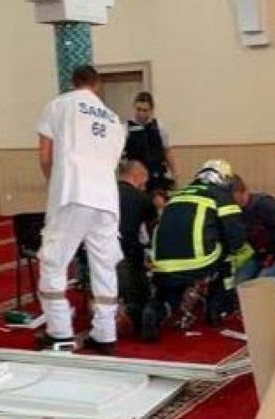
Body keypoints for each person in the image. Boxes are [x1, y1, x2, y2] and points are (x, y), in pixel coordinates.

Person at [34, 65, 126, 355]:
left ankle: (59, 332)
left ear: (72, 82)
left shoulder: (58, 105)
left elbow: (45, 156)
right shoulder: (113, 119)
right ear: (97, 85)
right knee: (104, 266)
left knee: (53, 261)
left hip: (73, 193)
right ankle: (105, 334)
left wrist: (54, 185)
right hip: (107, 199)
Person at [142, 159, 250, 341]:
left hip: (162, 262)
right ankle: (216, 311)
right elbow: (235, 235)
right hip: (199, 260)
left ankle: (157, 309)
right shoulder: (221, 196)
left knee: (169, 290)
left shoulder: (177, 195)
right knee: (228, 259)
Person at [230, 174, 275, 288]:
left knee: (261, 285)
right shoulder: (234, 211)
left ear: (240, 191)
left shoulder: (263, 204)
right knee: (237, 285)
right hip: (259, 256)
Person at [116, 160, 158, 332]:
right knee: (136, 293)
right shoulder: (142, 199)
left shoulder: (104, 193)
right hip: (129, 252)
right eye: (144, 181)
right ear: (137, 176)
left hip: (101, 251)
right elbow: (151, 229)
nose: (144, 186)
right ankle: (138, 319)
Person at [123, 91, 178, 194]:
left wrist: (174, 172)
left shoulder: (159, 126)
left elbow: (167, 150)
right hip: (136, 180)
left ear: (151, 110)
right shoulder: (125, 128)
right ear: (134, 107)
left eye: (145, 110)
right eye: (138, 109)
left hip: (156, 176)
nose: (141, 113)